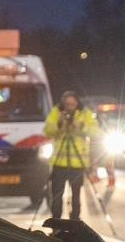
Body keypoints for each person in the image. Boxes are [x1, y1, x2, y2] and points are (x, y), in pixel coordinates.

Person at [43, 90, 100, 220]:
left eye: (72, 104)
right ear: (63, 104)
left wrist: (80, 126)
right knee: (57, 195)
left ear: (77, 104)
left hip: (77, 164)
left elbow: (96, 132)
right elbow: (47, 131)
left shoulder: (85, 114)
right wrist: (59, 123)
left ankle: (75, 221)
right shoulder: (56, 113)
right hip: (59, 163)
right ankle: (56, 223)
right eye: (67, 104)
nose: (69, 107)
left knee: (76, 195)